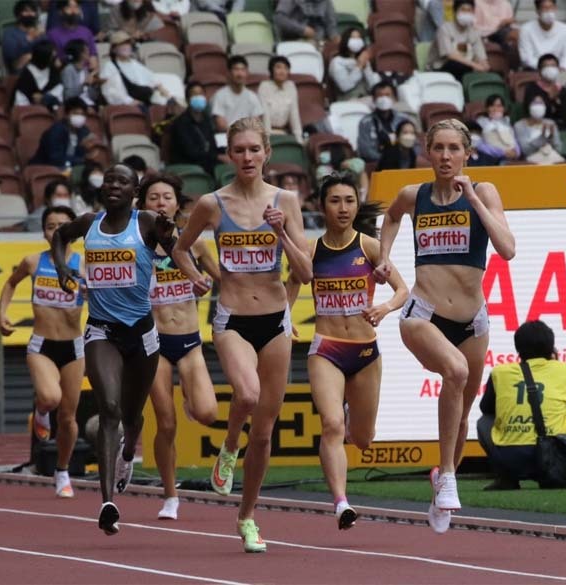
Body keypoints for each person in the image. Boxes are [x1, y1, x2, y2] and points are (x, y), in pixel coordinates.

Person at [172, 117, 312, 553]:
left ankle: (248, 516)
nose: (248, 157)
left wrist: (282, 233)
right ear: (229, 156)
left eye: (255, 150)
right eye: (240, 151)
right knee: (247, 397)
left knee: (266, 433)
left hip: (276, 321)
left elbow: (305, 272)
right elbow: (180, 247)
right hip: (232, 317)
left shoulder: (285, 201)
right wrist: (196, 277)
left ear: (267, 153)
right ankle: (230, 444)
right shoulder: (213, 204)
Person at [375, 118, 515, 534]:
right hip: (423, 314)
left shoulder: (484, 191)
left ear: (468, 154)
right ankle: (450, 476)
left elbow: (506, 249)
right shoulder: (413, 195)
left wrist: (472, 197)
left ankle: (440, 483)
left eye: (455, 148)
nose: (446, 156)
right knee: (454, 371)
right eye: (438, 148)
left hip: (473, 319)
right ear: (427, 152)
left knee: (462, 415)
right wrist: (384, 256)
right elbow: (392, 216)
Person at [51, 163, 175, 535]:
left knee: (133, 415)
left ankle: (127, 451)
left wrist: (170, 236)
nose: (113, 185)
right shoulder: (90, 223)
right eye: (108, 180)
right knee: (109, 408)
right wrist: (62, 267)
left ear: (135, 191)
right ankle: (107, 502)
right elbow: (60, 236)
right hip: (101, 329)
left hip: (141, 331)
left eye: (122, 181)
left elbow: (175, 250)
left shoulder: (147, 222)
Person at [287, 173, 408, 530]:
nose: (343, 208)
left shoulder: (368, 246)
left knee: (364, 439)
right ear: (322, 207)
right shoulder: (311, 249)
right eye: (335, 201)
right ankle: (341, 503)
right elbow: (291, 286)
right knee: (331, 425)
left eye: (350, 201)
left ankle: (344, 409)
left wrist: (383, 308)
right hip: (326, 348)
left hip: (365, 352)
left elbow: (403, 289)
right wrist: (285, 319)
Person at [137, 174, 220, 520]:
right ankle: (170, 494)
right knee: (165, 423)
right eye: (153, 197)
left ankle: (189, 394)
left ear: (177, 203)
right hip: (153, 342)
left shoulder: (195, 243)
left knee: (207, 413)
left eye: (166, 197)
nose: (160, 203)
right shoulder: (134, 245)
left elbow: (221, 280)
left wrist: (205, 283)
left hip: (188, 341)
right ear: (143, 205)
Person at [0, 205, 86, 498]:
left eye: (63, 225)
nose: (57, 231)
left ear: (75, 231)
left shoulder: (85, 265)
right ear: (44, 231)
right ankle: (41, 408)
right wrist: (2, 314)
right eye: (51, 225)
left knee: (69, 419)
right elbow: (10, 284)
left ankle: (62, 470)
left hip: (74, 347)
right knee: (50, 397)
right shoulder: (33, 262)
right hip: (42, 345)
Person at [477, 320, 566, 490]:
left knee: (484, 422)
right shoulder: (565, 370)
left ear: (518, 348)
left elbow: (486, 409)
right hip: (554, 456)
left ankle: (506, 477)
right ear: (551, 348)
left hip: (511, 458)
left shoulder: (499, 373)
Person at [101, 31, 168, 110]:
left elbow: (151, 78)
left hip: (146, 101)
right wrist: (130, 101)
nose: (125, 47)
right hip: (128, 106)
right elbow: (111, 92)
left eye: (127, 44)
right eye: (121, 44)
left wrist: (162, 90)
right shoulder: (109, 66)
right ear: (114, 49)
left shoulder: (134, 63)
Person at [428, 0, 490, 82]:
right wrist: (474, 65)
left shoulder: (474, 32)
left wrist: (484, 65)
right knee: (458, 65)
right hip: (440, 68)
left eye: (469, 11)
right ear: (455, 11)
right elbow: (449, 55)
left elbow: (480, 55)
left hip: (465, 67)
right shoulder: (445, 29)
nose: (466, 14)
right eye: (463, 10)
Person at [170, 82, 224, 175]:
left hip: (208, 161)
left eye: (201, 94)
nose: (199, 97)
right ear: (187, 99)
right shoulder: (180, 123)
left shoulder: (207, 120)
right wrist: (217, 157)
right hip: (189, 165)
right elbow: (191, 152)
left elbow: (212, 146)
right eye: (194, 94)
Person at [30, 97, 94, 168]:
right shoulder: (56, 131)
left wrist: (86, 149)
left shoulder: (84, 131)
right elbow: (56, 159)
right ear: (66, 115)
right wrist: (82, 160)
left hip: (71, 168)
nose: (79, 117)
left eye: (82, 114)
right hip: (46, 168)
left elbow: (82, 157)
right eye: (76, 113)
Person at [357, 81, 409, 164]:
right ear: (374, 99)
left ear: (394, 98)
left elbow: (413, 144)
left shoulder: (403, 119)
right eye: (380, 96)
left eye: (388, 95)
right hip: (377, 163)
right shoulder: (365, 122)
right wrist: (386, 159)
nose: (384, 99)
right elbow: (365, 150)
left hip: (402, 161)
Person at [212, 56, 264, 133]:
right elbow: (220, 125)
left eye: (243, 70)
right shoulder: (220, 95)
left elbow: (256, 123)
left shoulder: (252, 96)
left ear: (247, 73)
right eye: (236, 69)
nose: (239, 74)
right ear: (229, 73)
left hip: (247, 136)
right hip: (226, 135)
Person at [518, 0, 566, 71]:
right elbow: (526, 58)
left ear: (555, 8)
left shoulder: (565, 29)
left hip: (559, 71)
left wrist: (562, 67)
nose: (549, 12)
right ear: (537, 11)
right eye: (544, 8)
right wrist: (545, 68)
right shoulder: (526, 29)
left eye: (551, 8)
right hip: (534, 71)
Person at [328, 27, 381, 101]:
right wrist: (359, 66)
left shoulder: (363, 58)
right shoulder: (337, 61)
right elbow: (345, 86)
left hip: (366, 99)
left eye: (358, 38)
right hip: (347, 102)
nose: (356, 41)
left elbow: (372, 86)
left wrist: (366, 67)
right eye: (353, 38)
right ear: (346, 41)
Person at [258, 56, 303, 143]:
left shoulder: (291, 86)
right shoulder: (264, 86)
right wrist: (267, 139)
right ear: (271, 70)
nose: (282, 71)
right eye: (278, 67)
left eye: (285, 68)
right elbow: (265, 116)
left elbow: (294, 114)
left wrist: (299, 138)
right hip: (266, 134)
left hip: (284, 132)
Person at [47, 0, 99, 69]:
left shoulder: (86, 32)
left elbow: (93, 56)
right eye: (69, 7)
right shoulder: (52, 35)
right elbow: (55, 62)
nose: (73, 11)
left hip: (86, 75)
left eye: (76, 7)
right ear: (60, 11)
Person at [13, 39, 64, 109]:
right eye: (53, 58)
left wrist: (45, 98)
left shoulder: (53, 72)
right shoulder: (27, 74)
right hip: (29, 113)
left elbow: (58, 95)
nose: (57, 61)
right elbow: (20, 101)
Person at [514, 92, 564, 164]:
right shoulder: (519, 125)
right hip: (530, 163)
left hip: (552, 161)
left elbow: (558, 149)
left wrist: (551, 137)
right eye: (535, 103)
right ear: (528, 105)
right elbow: (526, 151)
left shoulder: (550, 123)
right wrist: (542, 138)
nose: (538, 106)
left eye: (541, 103)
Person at [2, 0, 45, 74]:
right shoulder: (10, 33)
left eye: (32, 11)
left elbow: (48, 49)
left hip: (41, 69)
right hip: (22, 73)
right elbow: (10, 54)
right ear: (18, 15)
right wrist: (29, 38)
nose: (30, 14)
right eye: (26, 11)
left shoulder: (39, 31)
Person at [476, 94, 520, 163]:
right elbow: (479, 145)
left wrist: (516, 152)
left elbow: (515, 142)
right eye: (492, 106)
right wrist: (502, 153)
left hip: (512, 159)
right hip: (492, 160)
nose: (495, 109)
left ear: (503, 109)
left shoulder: (507, 124)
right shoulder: (480, 124)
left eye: (499, 106)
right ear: (487, 108)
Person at [274, 0, 339, 44]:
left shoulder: (326, 2)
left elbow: (331, 26)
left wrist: (335, 38)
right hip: (295, 41)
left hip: (320, 41)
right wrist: (303, 30)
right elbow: (280, 19)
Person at [61, 38, 102, 106]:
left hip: (89, 104)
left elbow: (92, 97)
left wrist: (95, 85)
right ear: (80, 53)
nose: (89, 52)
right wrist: (84, 84)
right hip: (75, 105)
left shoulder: (85, 70)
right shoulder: (69, 70)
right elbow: (68, 95)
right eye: (86, 50)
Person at [522, 53, 563, 121]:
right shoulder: (532, 88)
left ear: (558, 69)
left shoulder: (562, 89)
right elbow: (532, 111)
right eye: (546, 66)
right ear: (539, 70)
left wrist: (556, 100)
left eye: (553, 66)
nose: (550, 69)